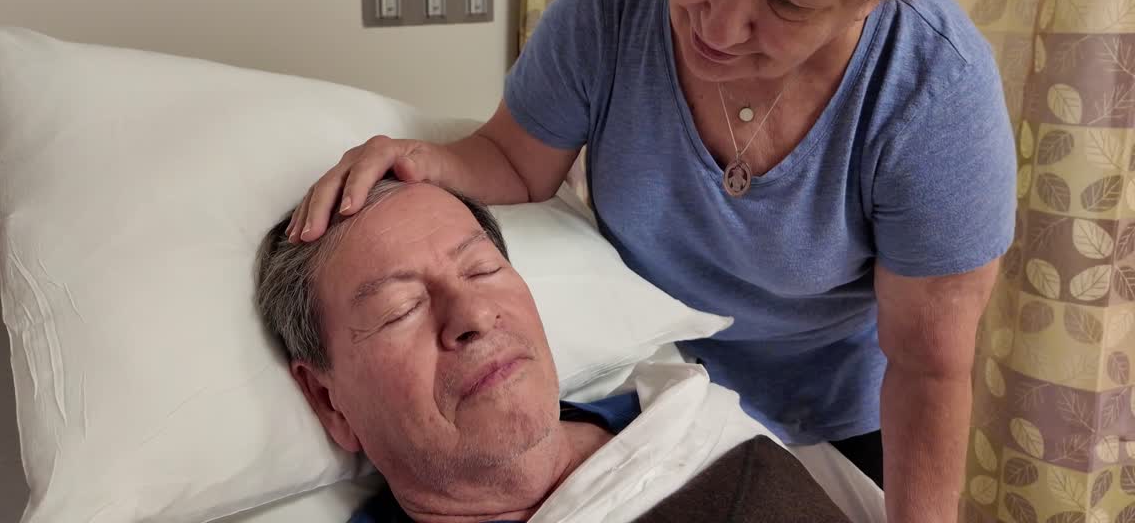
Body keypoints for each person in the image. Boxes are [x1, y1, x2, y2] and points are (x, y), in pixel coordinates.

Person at [287, 0, 1015, 520]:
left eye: (789, 0)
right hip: (651, 382)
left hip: (827, 412)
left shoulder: (931, 93)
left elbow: (927, 367)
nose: (721, 25)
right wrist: (424, 158)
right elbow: (515, 160)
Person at [255, 179, 872, 523]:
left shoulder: (692, 420)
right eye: (400, 310)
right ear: (327, 399)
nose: (472, 316)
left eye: (481, 271)